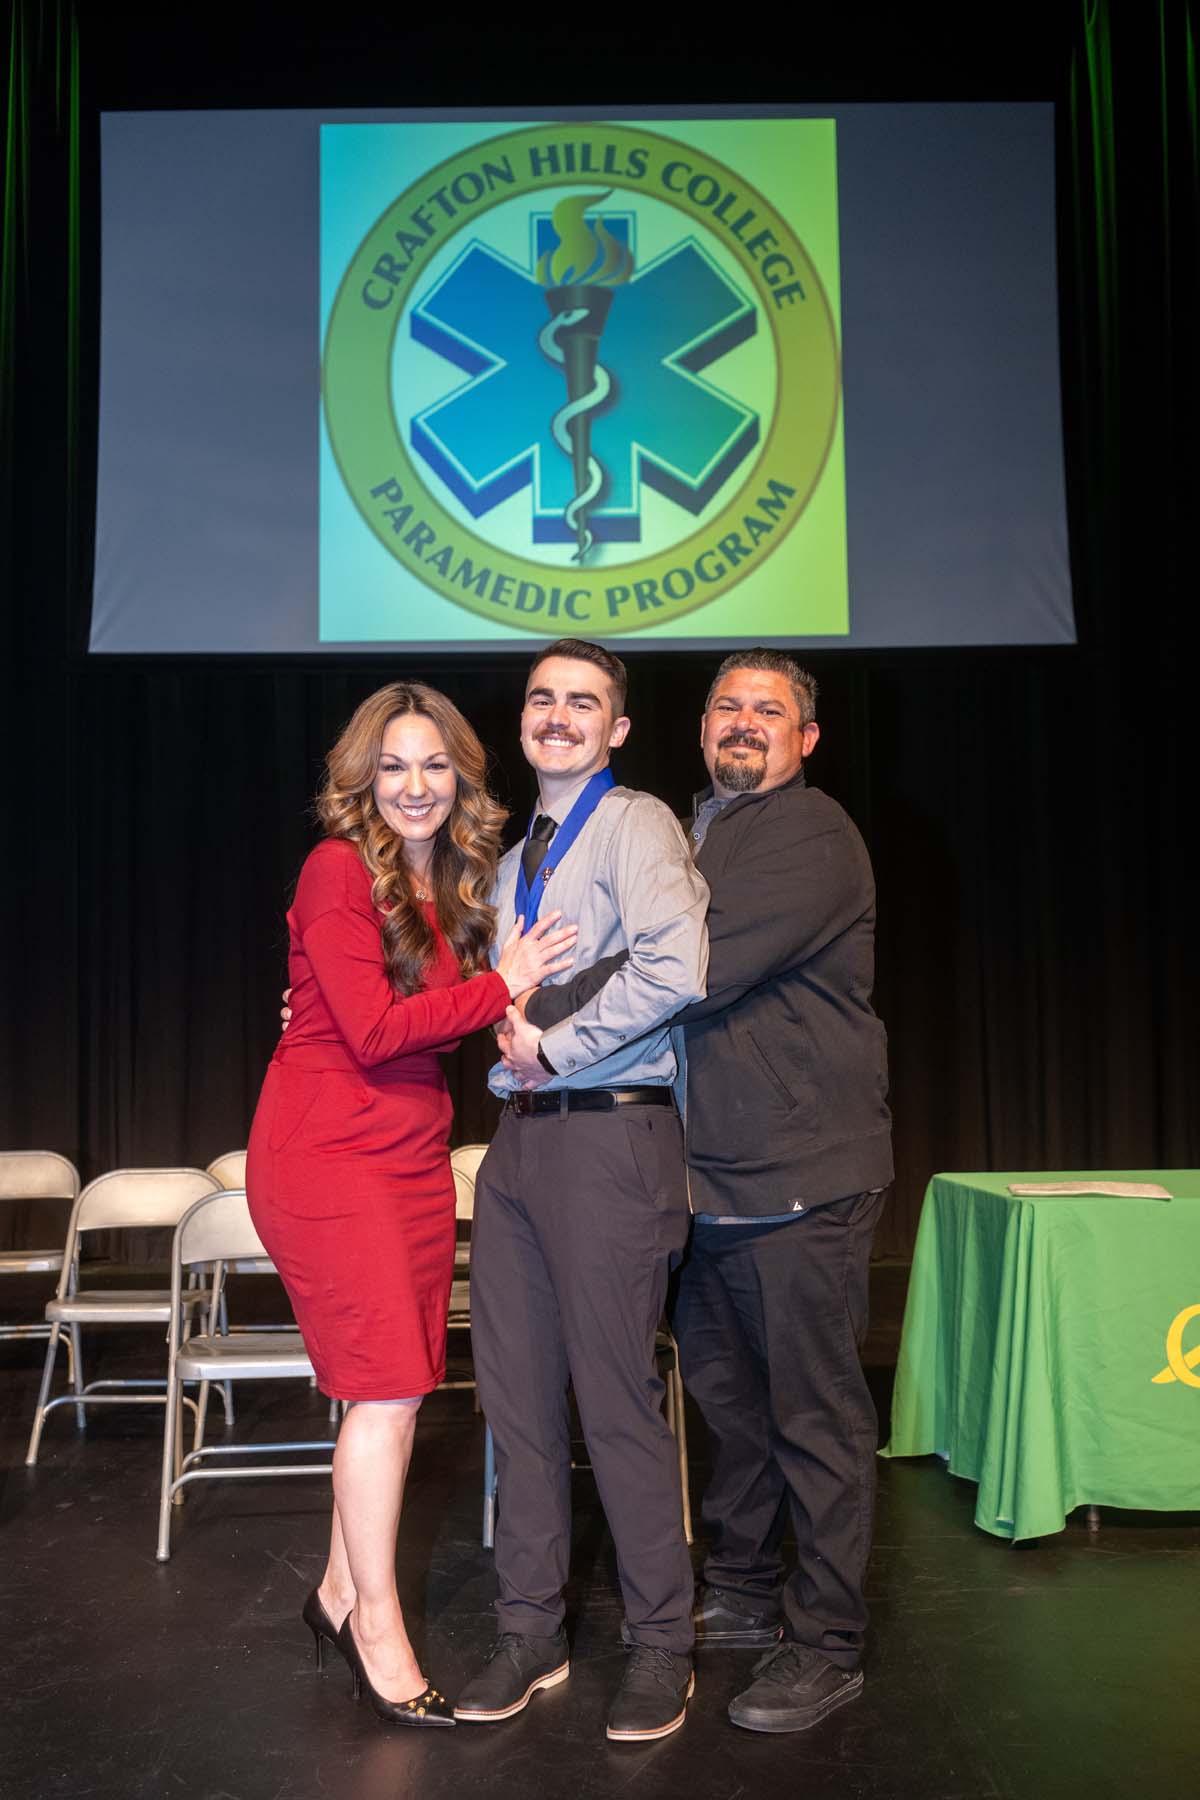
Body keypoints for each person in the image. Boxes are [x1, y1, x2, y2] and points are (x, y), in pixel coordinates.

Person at [502, 648, 893, 1735]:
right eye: (727, 705)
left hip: (801, 1175)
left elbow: (692, 965)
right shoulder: (691, 827)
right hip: (703, 1179)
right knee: (729, 1411)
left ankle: (826, 1643)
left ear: (806, 740)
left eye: (770, 710)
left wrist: (532, 1003)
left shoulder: (812, 835)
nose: (743, 722)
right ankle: (745, 1590)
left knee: (813, 1416)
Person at [247, 682, 576, 1729]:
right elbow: (376, 1031)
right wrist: (499, 984)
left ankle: (339, 1591)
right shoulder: (337, 869)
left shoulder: (456, 881)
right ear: (362, 779)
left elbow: (429, 1021)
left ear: (460, 778)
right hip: (328, 1156)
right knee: (384, 1393)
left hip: (408, 1154)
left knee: (391, 1387)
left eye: (434, 765)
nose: (416, 785)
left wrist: (511, 1000)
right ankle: (375, 1632)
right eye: (393, 766)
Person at [452, 640, 710, 1744]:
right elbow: (510, 1017)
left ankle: (663, 1645)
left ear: (617, 729)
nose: (558, 715)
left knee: (614, 1403)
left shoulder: (636, 824)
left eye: (584, 702)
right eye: (542, 698)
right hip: (518, 1147)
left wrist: (551, 1046)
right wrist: (513, 1053)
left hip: (612, 1142)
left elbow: (676, 969)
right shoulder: (515, 860)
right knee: (513, 1405)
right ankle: (531, 1629)